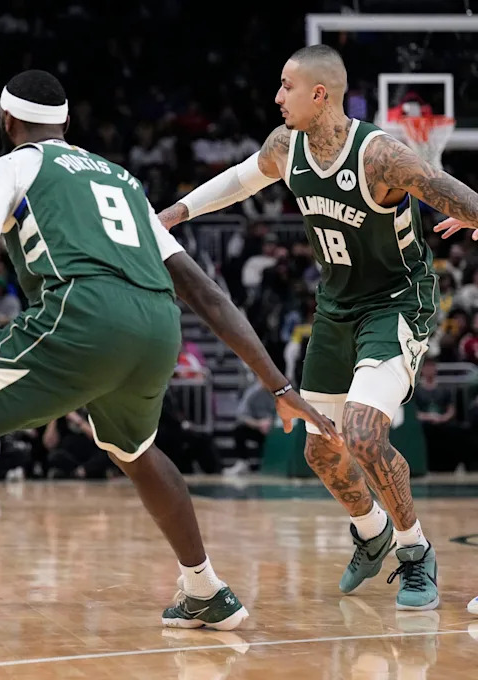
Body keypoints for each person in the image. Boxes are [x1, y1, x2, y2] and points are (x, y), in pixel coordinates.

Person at [0, 70, 338, 662]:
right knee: (135, 451)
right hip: (157, 326)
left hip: (81, 316)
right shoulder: (123, 179)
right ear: (65, 124)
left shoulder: (12, 166)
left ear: (8, 122)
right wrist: (278, 385)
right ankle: (205, 589)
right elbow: (207, 295)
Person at [157, 45, 478, 611]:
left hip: (396, 304)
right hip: (336, 308)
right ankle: (373, 531)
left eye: (286, 86)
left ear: (319, 94)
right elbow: (240, 179)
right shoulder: (287, 146)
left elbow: (447, 189)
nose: (277, 97)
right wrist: (178, 212)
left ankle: (414, 551)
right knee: (321, 452)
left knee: (362, 432)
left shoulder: (381, 157)